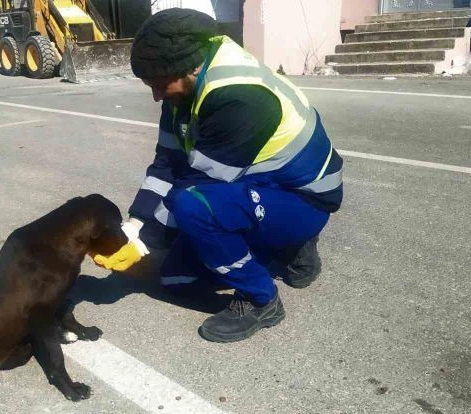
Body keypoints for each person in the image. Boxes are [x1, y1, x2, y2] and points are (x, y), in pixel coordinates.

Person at [94, 8, 343, 343]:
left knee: (194, 206)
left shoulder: (239, 97)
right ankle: (284, 248)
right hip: (256, 185)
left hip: (303, 197)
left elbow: (200, 184)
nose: (156, 95)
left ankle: (261, 298)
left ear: (186, 68)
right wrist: (135, 224)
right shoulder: (182, 88)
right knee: (177, 281)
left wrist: (144, 242)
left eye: (157, 84)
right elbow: (167, 163)